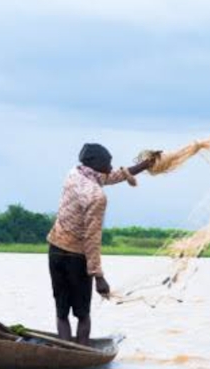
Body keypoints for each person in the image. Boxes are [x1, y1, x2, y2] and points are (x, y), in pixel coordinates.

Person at [47, 143, 158, 345]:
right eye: (108, 162)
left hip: (55, 251)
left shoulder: (75, 173)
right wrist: (98, 277)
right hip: (76, 257)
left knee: (61, 312)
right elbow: (92, 238)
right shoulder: (96, 196)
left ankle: (64, 350)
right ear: (94, 163)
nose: (111, 166)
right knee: (83, 314)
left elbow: (111, 176)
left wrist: (144, 165)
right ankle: (80, 354)